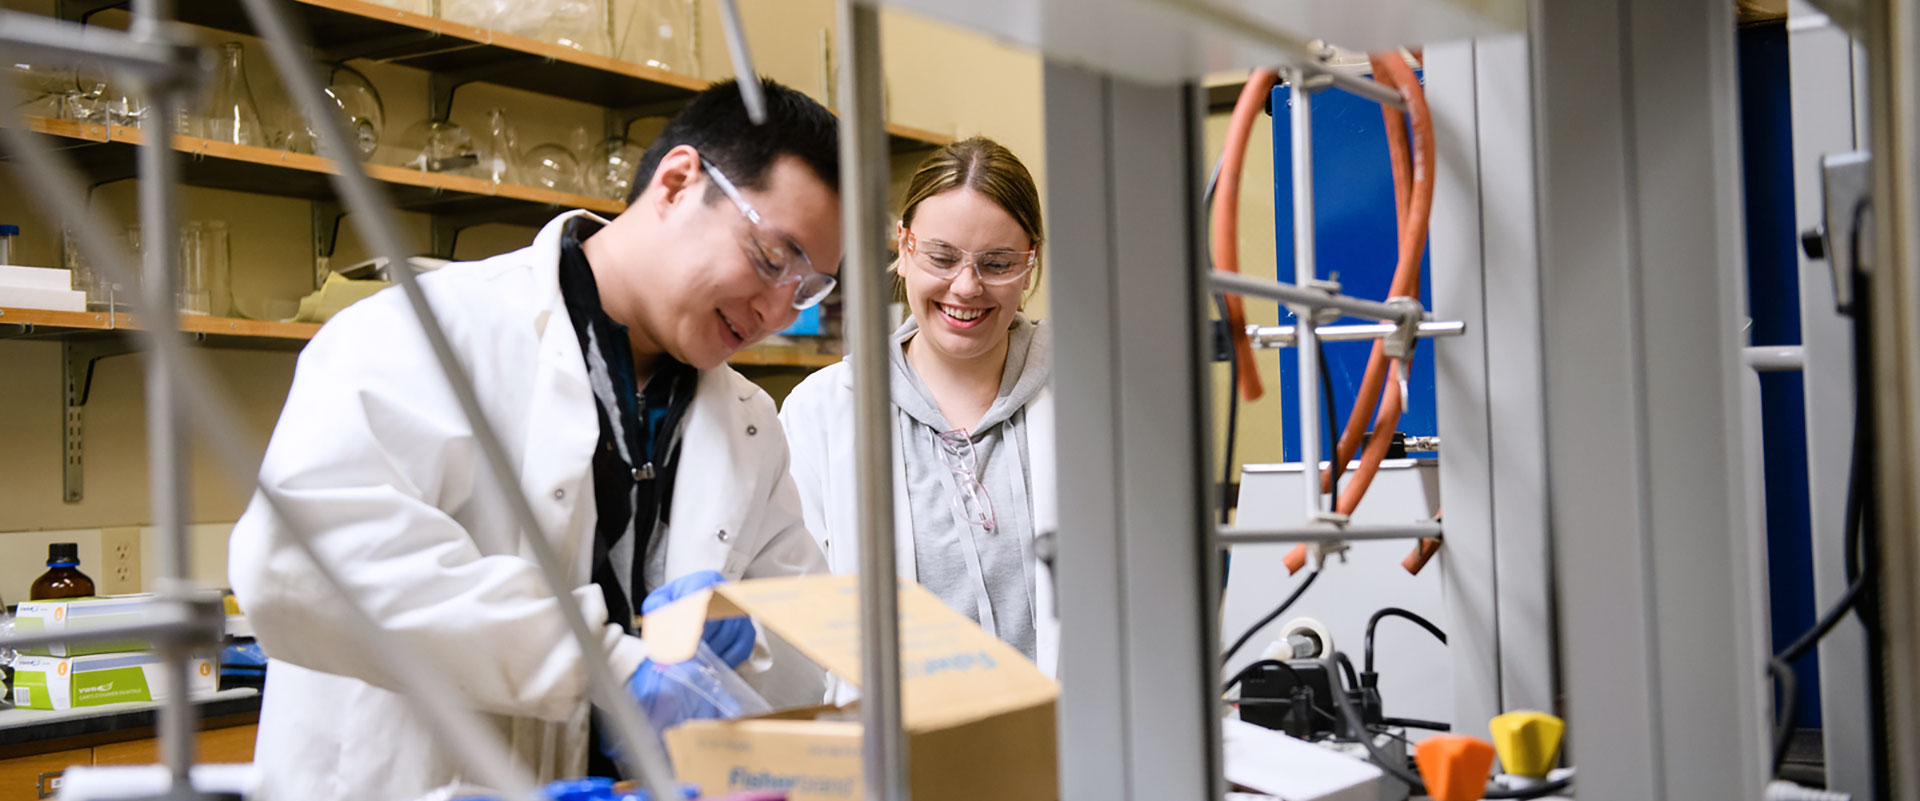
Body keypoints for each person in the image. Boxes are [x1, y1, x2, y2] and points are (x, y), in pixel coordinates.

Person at [227, 78, 841, 801]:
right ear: (678, 182)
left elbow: (798, 654)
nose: (775, 308)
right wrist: (606, 665)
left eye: (806, 289)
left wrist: (735, 637)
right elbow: (298, 562)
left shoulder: (746, 422)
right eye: (772, 258)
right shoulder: (422, 333)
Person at [780, 137, 1057, 676]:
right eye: (942, 256)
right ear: (904, 249)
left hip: (1070, 743)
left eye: (998, 263)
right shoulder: (823, 412)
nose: (966, 287)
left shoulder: (1087, 400)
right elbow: (797, 619)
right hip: (896, 748)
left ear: (1030, 263)